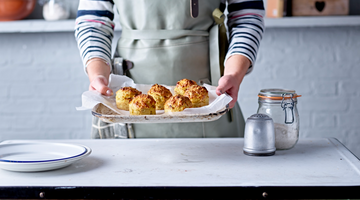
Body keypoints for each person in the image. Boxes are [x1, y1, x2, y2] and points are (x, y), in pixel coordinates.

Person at [75, 0, 265, 138]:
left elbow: (247, 16)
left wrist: (234, 73)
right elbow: (93, 22)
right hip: (126, 107)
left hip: (212, 93)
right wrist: (98, 73)